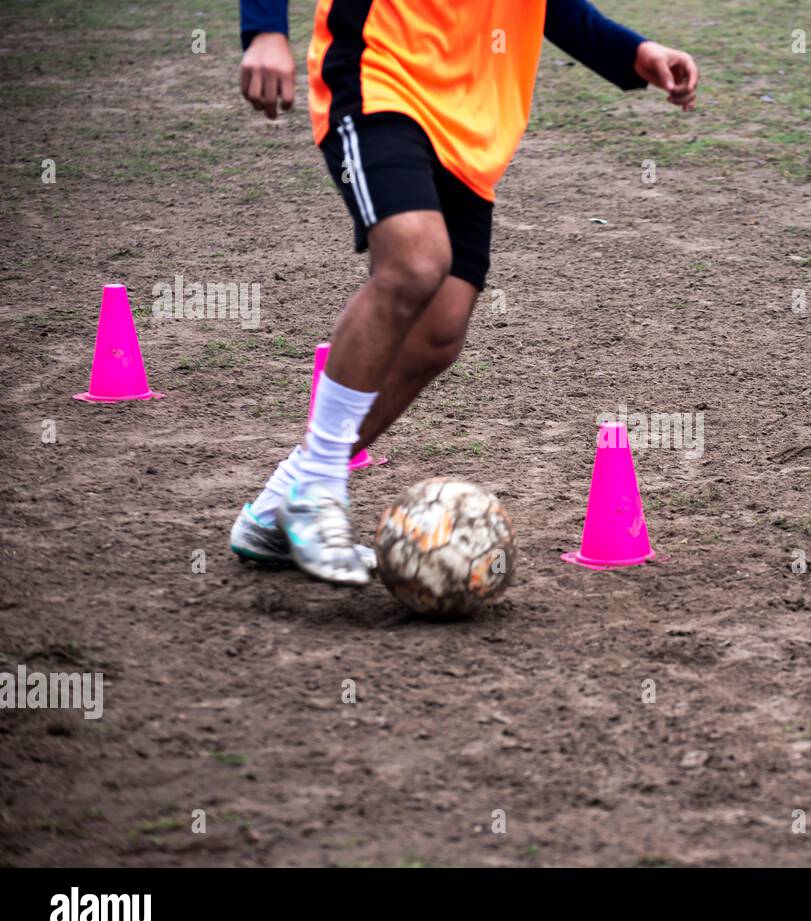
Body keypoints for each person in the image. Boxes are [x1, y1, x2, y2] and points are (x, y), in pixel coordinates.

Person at [229, 1, 699, 585]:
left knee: (439, 331)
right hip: (382, 75)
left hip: (473, 123)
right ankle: (320, 488)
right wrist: (265, 29)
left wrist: (634, 53)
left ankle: (284, 502)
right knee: (416, 260)